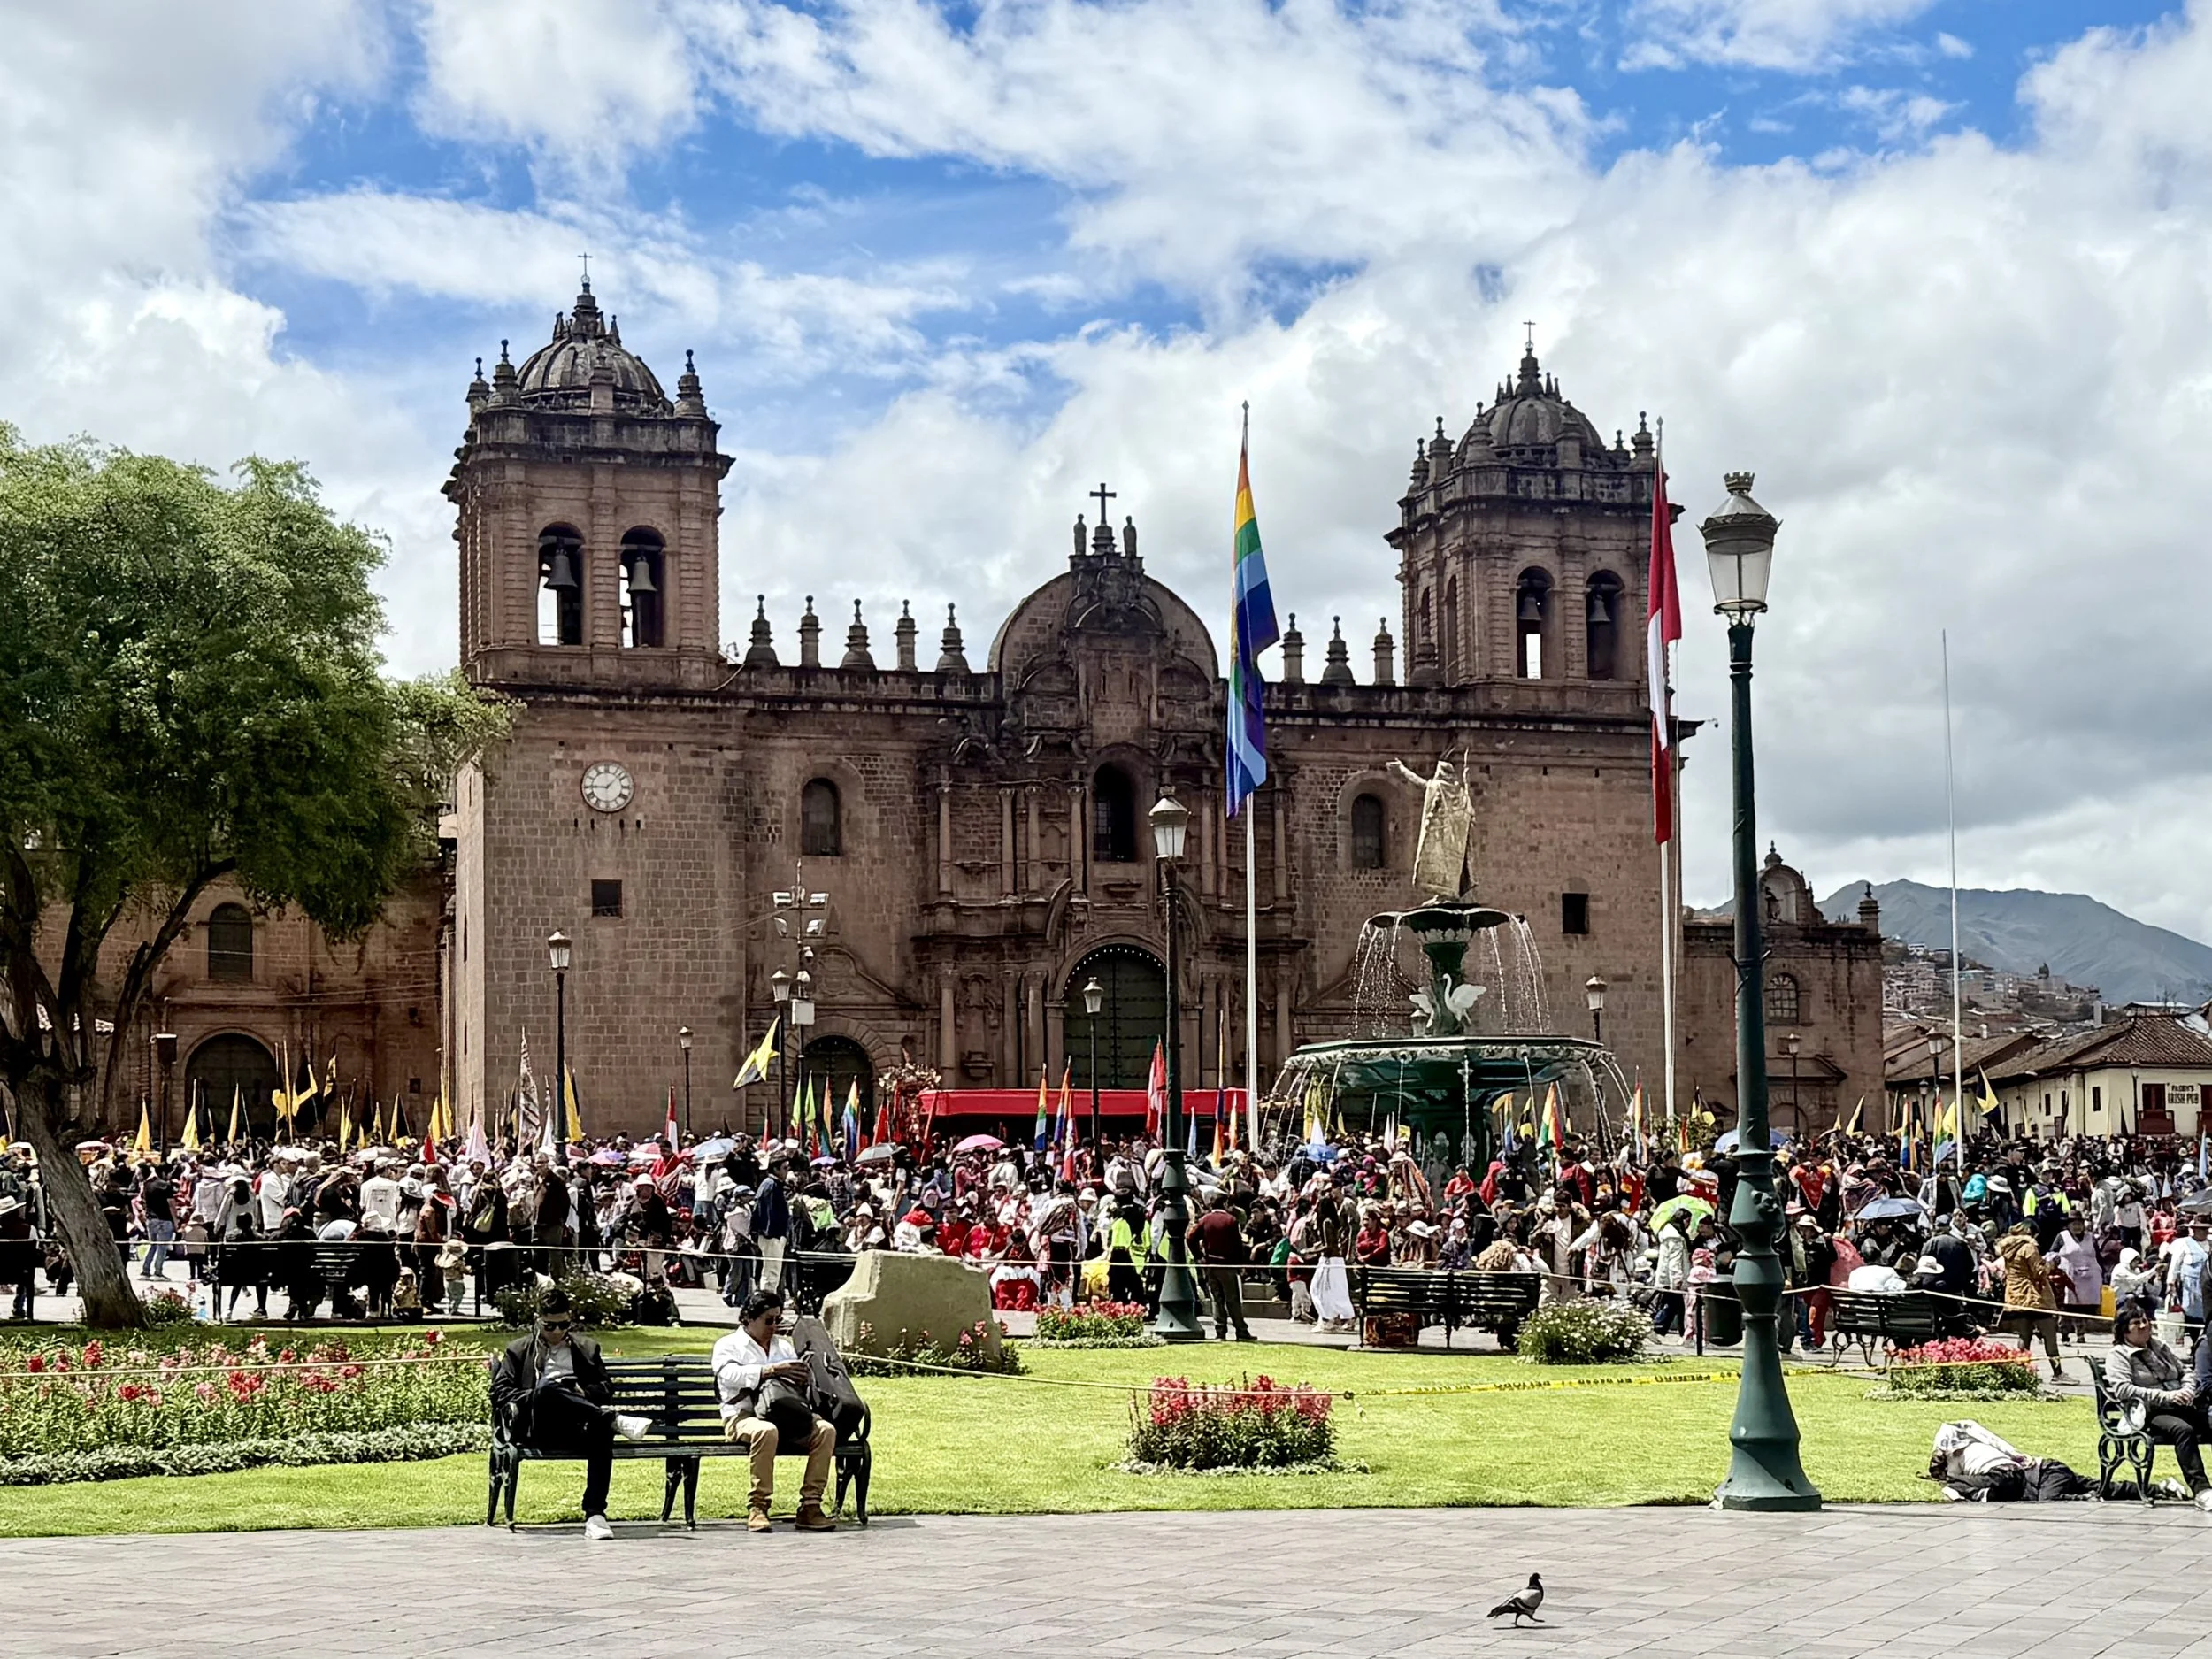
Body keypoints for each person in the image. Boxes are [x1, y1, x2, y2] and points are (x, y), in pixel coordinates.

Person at [488, 1288, 657, 1540]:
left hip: (579, 1426)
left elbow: (605, 1387)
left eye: (564, 1325)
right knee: (547, 1388)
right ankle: (614, 1420)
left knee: (599, 1430)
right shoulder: (519, 1350)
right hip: (538, 1428)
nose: (557, 1332)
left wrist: (583, 1391)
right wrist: (538, 1394)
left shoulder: (586, 1348)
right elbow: (499, 1393)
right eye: (550, 1326)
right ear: (538, 1319)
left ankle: (595, 1514)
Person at [710, 1289, 838, 1534]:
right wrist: (771, 1371)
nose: (775, 1326)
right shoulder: (728, 1345)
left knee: (825, 1430)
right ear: (748, 1318)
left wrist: (803, 1377)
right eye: (769, 1320)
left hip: (787, 1415)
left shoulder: (784, 1347)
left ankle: (810, 1506)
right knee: (766, 1431)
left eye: (778, 1319)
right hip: (742, 1416)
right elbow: (728, 1376)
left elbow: (795, 1387)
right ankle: (758, 1506)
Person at [2107, 1306, 2212, 1510]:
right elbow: (2124, 1390)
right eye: (2136, 1323)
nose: (2144, 1326)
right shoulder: (2118, 1355)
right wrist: (2168, 1396)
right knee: (2182, 1430)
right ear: (2124, 1330)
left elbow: (2185, 1371)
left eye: (2145, 1320)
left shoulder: (2159, 1346)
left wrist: (2188, 1389)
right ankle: (2201, 1490)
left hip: (2181, 1403)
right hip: (2149, 1411)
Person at [1997, 1221, 2068, 1381]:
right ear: (2030, 1233)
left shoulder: (2008, 1248)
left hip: (2015, 1295)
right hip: (2033, 1296)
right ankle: (2058, 1373)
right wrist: (2051, 1264)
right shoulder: (2028, 1247)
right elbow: (2039, 1272)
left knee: (2024, 1335)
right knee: (2050, 1334)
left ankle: (2021, 1372)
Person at [1187, 1192, 1256, 1341]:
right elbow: (1238, 1245)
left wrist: (1199, 1256)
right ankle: (1241, 1330)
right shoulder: (1231, 1220)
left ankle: (1220, 1331)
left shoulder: (1205, 1220)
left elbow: (1191, 1238)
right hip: (1228, 1265)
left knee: (1216, 1299)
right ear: (1225, 1204)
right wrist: (1241, 1265)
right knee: (1232, 1299)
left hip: (1210, 1265)